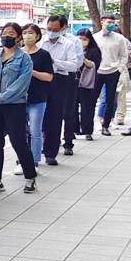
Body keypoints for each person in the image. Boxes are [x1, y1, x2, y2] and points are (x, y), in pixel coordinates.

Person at [0, 22, 38, 194]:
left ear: (18, 37)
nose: (6, 36)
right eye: (4, 33)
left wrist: (0, 98)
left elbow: (21, 85)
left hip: (14, 105)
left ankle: (30, 178)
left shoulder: (24, 59)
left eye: (11, 34)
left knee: (18, 141)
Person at [39, 15, 78, 165]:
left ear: (62, 28)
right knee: (38, 115)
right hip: (40, 79)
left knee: (55, 117)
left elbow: (73, 65)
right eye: (49, 29)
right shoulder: (41, 42)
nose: (51, 32)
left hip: (59, 80)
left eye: (55, 30)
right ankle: (38, 147)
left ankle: (51, 152)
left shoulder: (68, 44)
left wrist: (54, 62)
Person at [18, 23, 53, 173]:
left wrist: (32, 72)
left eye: (31, 33)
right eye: (24, 32)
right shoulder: (17, 54)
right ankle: (22, 159)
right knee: (21, 130)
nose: (27, 36)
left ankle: (34, 161)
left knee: (35, 130)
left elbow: (49, 77)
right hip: (18, 98)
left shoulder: (44, 55)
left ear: (37, 36)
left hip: (37, 97)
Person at [93, 15, 129, 136]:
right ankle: (89, 125)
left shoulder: (119, 38)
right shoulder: (95, 38)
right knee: (92, 99)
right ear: (102, 22)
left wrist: (119, 68)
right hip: (98, 72)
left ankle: (106, 125)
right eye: (109, 22)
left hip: (113, 72)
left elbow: (124, 54)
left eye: (113, 22)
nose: (111, 24)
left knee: (110, 100)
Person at [59, 14, 83, 155]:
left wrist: (58, 64)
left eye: (58, 28)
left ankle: (68, 142)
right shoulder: (44, 40)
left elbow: (77, 63)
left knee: (69, 111)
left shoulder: (73, 41)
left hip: (68, 78)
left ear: (65, 27)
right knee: (51, 112)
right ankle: (50, 141)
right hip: (50, 78)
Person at [75, 28, 102, 139]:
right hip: (74, 82)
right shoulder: (72, 49)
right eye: (80, 38)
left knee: (88, 107)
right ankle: (74, 129)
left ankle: (87, 131)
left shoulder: (94, 51)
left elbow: (94, 65)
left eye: (84, 39)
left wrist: (82, 56)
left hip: (88, 82)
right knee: (72, 107)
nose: (82, 41)